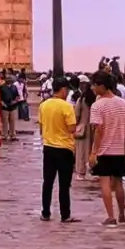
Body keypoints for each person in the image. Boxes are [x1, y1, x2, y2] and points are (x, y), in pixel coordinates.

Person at [88, 71, 125, 227]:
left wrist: (93, 152)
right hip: (119, 149)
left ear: (101, 86)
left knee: (105, 183)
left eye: (94, 85)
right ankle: (122, 215)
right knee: (118, 183)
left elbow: (98, 130)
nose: (92, 88)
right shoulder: (123, 103)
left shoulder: (97, 105)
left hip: (104, 150)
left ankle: (110, 216)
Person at [38, 76, 78, 223]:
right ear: (63, 90)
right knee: (64, 184)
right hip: (64, 148)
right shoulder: (66, 106)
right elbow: (71, 128)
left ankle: (46, 212)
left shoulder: (44, 105)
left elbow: (41, 128)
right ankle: (65, 214)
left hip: (48, 147)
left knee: (47, 182)